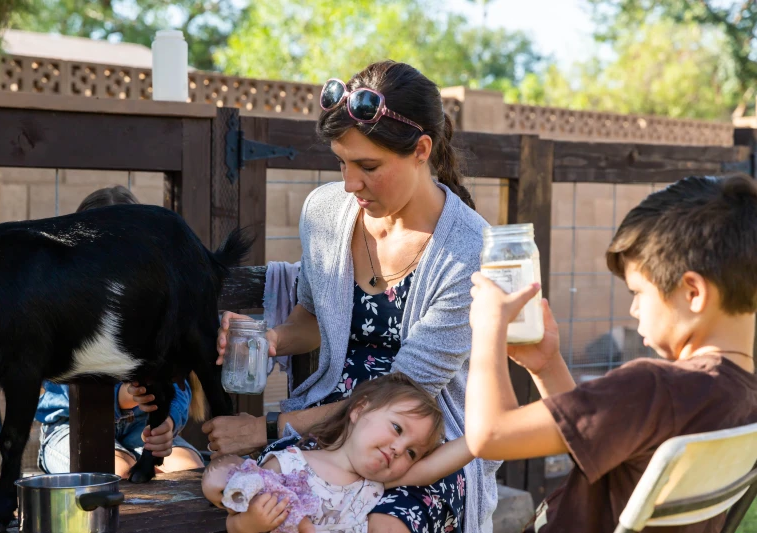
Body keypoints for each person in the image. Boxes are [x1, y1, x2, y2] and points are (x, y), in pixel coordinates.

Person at [205, 61, 498, 533]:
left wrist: (269, 428)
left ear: (421, 150)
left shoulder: (470, 252)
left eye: (368, 166)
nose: (349, 183)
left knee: (383, 522)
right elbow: (312, 318)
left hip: (416, 442)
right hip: (329, 422)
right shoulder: (324, 213)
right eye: (342, 161)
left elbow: (403, 392)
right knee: (245, 494)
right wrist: (270, 339)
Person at [465, 175, 757, 532]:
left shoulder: (655, 388)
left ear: (693, 292)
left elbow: (489, 436)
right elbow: (595, 438)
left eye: (638, 292)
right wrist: (548, 366)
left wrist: (488, 329)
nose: (634, 310)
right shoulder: (740, 398)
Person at [35, 185, 204, 477]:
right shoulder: (62, 305)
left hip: (141, 426)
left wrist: (167, 424)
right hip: (70, 427)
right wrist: (121, 397)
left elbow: (178, 382)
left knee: (188, 469)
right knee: (115, 473)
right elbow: (58, 391)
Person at [202, 374, 473, 533]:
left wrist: (482, 438)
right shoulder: (289, 464)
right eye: (397, 428)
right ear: (359, 409)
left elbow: (433, 468)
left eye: (411, 453)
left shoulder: (375, 485)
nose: (399, 449)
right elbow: (234, 518)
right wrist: (250, 523)